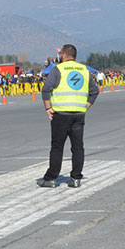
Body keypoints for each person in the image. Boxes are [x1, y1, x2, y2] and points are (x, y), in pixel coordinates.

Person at [38, 44, 99, 188]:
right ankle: (76, 178)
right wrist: (86, 106)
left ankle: (51, 178)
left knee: (57, 147)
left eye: (60, 54)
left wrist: (48, 108)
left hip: (61, 114)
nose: (59, 57)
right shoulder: (84, 70)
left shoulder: (58, 69)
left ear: (64, 55)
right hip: (78, 114)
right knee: (78, 147)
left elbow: (46, 90)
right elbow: (94, 91)